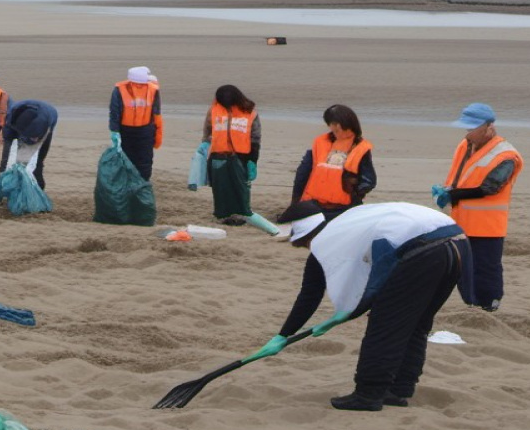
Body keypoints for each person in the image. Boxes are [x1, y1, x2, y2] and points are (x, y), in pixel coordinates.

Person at [255, 200, 471, 411]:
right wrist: (285, 334)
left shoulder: (327, 240)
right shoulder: (347, 222)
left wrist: (284, 335)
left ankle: (369, 394)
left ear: (307, 236)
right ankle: (399, 390)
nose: (310, 250)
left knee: (384, 323)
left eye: (303, 244)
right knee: (415, 323)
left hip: (422, 249)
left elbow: (310, 295)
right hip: (457, 242)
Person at [432, 102, 523, 312]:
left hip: (488, 226)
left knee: (486, 267)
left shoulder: (505, 155)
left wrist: (453, 194)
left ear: (489, 127)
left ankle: (490, 304)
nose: (468, 133)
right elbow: (460, 176)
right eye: (466, 128)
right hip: (462, 220)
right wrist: (447, 190)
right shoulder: (465, 145)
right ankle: (471, 303)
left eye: (472, 128)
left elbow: (490, 188)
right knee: (463, 266)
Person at [201, 85, 276, 233]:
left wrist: (253, 161)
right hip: (218, 154)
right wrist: (204, 145)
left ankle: (241, 214)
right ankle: (222, 214)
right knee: (220, 187)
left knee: (241, 188)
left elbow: (255, 138)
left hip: (241, 156)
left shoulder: (250, 113)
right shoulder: (214, 110)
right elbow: (208, 129)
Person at [291, 104, 377, 217]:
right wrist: (296, 202)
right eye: (331, 124)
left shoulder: (360, 148)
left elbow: (369, 181)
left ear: (348, 123)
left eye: (336, 124)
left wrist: (353, 193)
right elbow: (302, 174)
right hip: (315, 204)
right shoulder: (320, 144)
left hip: (343, 207)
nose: (334, 127)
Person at [108, 65, 163, 180]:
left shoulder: (152, 90)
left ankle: (139, 185)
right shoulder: (120, 90)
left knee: (140, 163)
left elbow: (156, 114)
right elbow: (115, 112)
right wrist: (115, 132)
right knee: (136, 163)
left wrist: (114, 131)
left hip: (143, 131)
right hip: (131, 132)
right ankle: (138, 185)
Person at [0, 99, 58, 189]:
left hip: (45, 122)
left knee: (36, 160)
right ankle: (3, 182)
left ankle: (38, 186)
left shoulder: (42, 122)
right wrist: (7, 141)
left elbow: (34, 142)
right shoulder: (13, 115)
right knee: (7, 158)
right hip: (16, 124)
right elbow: (8, 134)